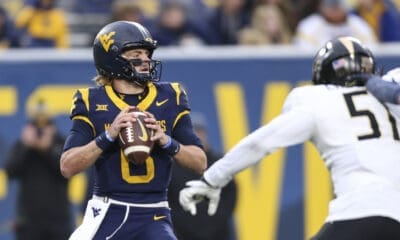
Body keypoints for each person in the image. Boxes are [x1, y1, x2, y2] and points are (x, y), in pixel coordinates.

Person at [180, 36, 400, 240]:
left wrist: (212, 179)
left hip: (360, 211)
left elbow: (261, 142)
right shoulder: (391, 90)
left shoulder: (316, 100)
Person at [60, 21, 207, 240]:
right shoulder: (92, 101)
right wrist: (108, 136)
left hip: (155, 214)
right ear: (113, 57)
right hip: (109, 211)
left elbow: (200, 162)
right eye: (136, 53)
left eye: (147, 54)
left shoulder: (170, 96)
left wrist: (166, 141)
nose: (146, 60)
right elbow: (67, 166)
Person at [4, 99, 72, 240]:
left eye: (46, 124)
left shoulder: (61, 142)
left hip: (58, 221)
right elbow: (10, 171)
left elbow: (68, 171)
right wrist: (26, 146)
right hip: (29, 221)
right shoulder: (22, 145)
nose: (40, 130)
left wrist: (47, 149)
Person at [168, 112, 237, 240]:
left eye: (199, 131)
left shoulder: (220, 163)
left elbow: (230, 195)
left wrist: (215, 220)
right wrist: (181, 223)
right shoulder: (172, 166)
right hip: (181, 234)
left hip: (217, 234)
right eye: (191, 132)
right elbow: (168, 201)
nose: (196, 136)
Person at [293, 0, 377, 50]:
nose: (335, 11)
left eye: (338, 7)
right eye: (331, 7)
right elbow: (304, 53)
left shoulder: (358, 24)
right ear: (322, 7)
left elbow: (372, 49)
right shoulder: (309, 26)